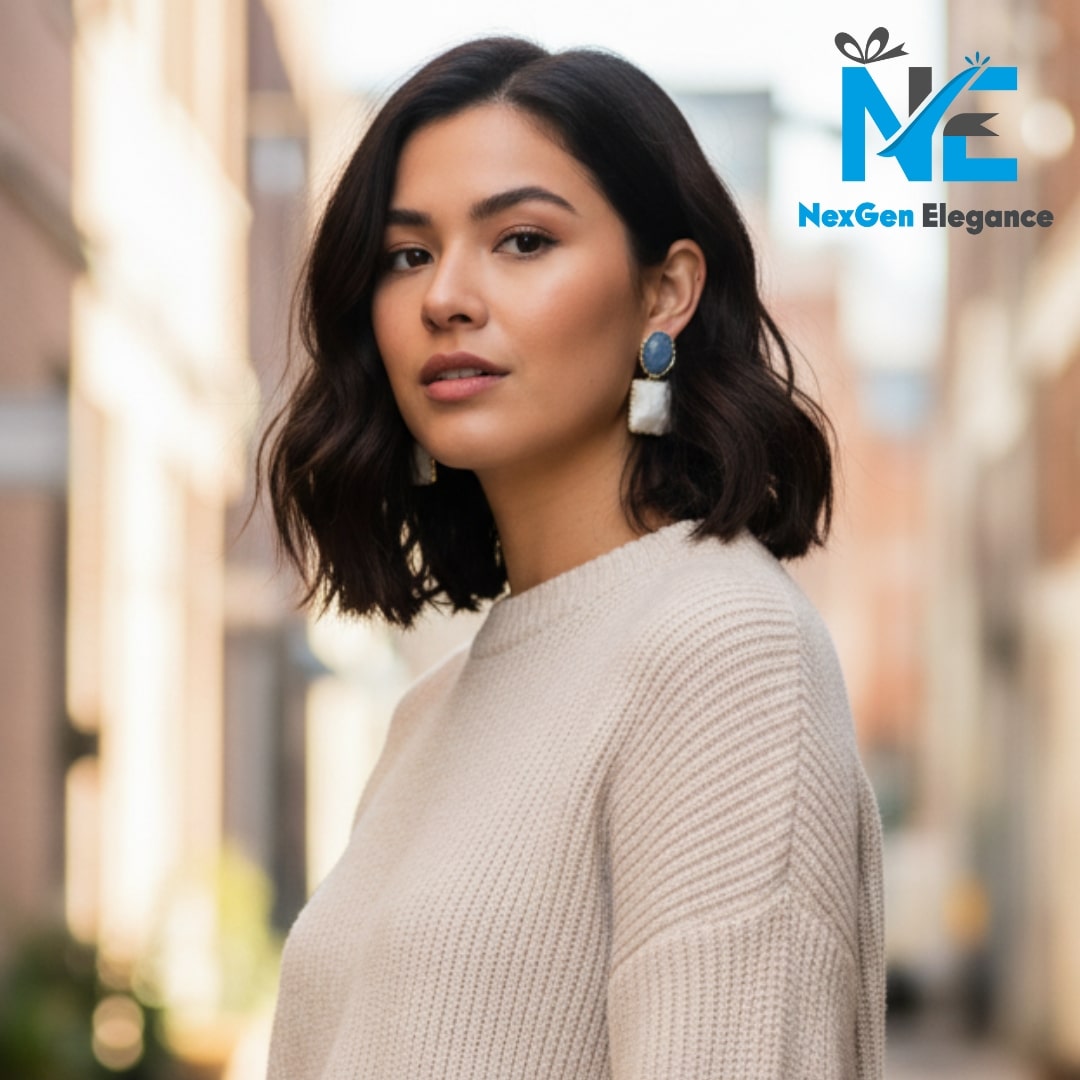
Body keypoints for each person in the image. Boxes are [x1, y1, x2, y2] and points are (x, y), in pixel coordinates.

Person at [259, 35, 886, 1080]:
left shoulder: (726, 652)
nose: (444, 297)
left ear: (664, 293)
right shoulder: (438, 708)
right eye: (408, 254)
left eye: (521, 240)